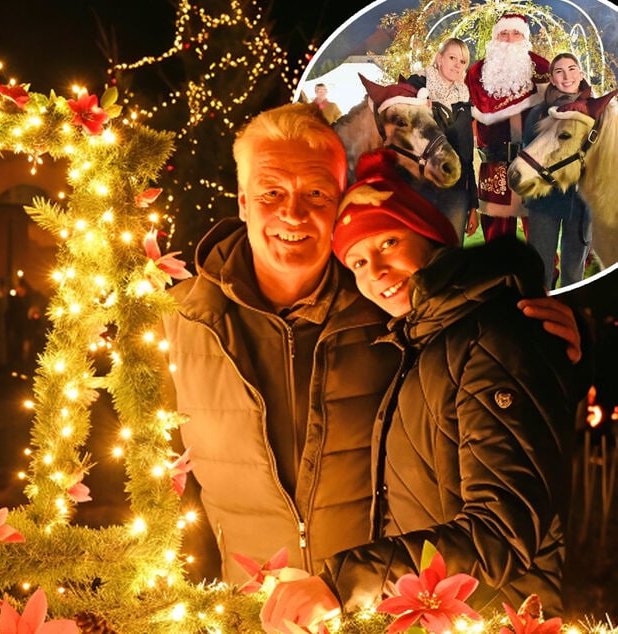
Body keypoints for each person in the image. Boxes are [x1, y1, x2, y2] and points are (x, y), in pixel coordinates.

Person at [162, 102, 582, 588]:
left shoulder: (390, 307)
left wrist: (558, 334)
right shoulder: (178, 321)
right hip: (246, 609)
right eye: (271, 192)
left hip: (380, 605)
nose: (292, 212)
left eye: (316, 193)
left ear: (338, 200)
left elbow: (481, 339)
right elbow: (151, 481)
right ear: (242, 202)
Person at [260, 149, 575, 631]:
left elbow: (503, 532)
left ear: (430, 237)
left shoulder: (493, 338)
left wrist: (345, 584)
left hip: (498, 620)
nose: (375, 271)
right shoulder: (422, 346)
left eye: (389, 242)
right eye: (357, 262)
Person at [465, 13, 549, 242]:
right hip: (494, 165)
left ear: (525, 38)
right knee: (497, 241)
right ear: (495, 38)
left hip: (534, 164)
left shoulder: (541, 69)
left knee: (540, 238)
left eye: (516, 33)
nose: (510, 39)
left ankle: (542, 268)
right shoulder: (477, 73)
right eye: (503, 33)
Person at [522, 53, 593, 289]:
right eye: (559, 71)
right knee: (539, 269)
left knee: (574, 272)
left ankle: (570, 308)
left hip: (581, 203)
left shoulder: (596, 111)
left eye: (572, 69)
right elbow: (528, 156)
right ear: (552, 79)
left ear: (581, 74)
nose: (566, 76)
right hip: (545, 200)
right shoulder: (539, 113)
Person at [405, 37, 478, 241]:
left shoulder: (464, 99)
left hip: (456, 192)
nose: (457, 64)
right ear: (439, 58)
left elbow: (466, 157)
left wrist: (473, 204)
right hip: (423, 190)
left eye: (462, 61)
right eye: (452, 57)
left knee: (452, 252)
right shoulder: (416, 88)